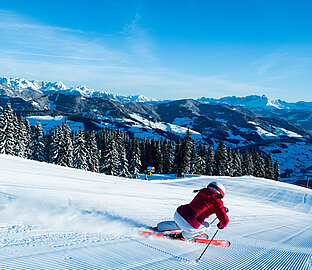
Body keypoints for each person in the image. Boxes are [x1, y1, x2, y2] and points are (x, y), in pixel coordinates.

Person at [156, 181, 229, 240]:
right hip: (189, 223)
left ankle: (160, 227)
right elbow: (224, 221)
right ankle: (183, 236)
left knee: (182, 222)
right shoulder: (217, 202)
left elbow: (205, 204)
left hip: (178, 214)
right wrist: (221, 225)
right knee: (207, 226)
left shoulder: (202, 192)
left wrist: (221, 208)